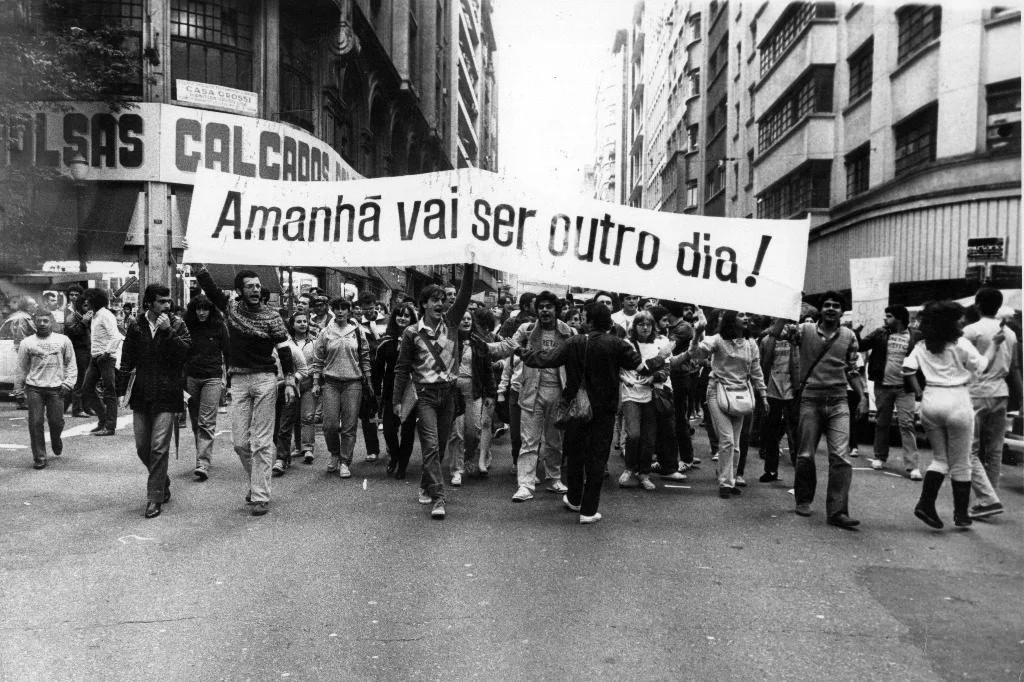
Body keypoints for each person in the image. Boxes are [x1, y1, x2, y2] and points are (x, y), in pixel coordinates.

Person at [517, 303, 670, 524]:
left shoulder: (574, 342)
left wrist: (519, 350)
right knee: (597, 458)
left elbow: (545, 360)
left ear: (589, 320)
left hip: (575, 407)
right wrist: (662, 356)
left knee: (575, 454)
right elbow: (643, 369)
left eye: (584, 317)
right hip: (604, 409)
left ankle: (574, 499)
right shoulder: (618, 344)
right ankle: (588, 511)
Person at [195, 265, 297, 517]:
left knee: (261, 442)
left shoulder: (272, 317)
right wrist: (199, 267)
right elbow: (211, 289)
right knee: (240, 443)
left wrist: (290, 380)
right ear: (239, 291)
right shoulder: (231, 309)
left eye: (258, 286)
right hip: (238, 381)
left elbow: (284, 349)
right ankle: (257, 482)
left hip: (265, 380)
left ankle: (260, 495)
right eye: (249, 286)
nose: (255, 290)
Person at [904, 300, 1003, 529]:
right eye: (959, 319)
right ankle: (961, 514)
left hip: (931, 399)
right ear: (949, 323)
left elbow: (907, 369)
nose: (962, 322)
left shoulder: (922, 346)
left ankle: (925, 504)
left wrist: (919, 393)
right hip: (957, 399)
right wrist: (994, 345)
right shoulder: (961, 344)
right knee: (961, 461)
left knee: (940, 459)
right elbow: (982, 366)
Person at [392, 263, 476, 520]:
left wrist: (470, 265)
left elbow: (465, 293)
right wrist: (397, 400)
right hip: (425, 396)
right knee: (429, 445)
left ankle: (426, 483)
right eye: (435, 300)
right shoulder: (412, 333)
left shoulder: (452, 323)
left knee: (439, 447)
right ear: (424, 304)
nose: (440, 304)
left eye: (442, 300)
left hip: (448, 395)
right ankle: (439, 498)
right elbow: (402, 368)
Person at [485, 290, 574, 501]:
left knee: (554, 441)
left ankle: (554, 478)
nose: (544, 310)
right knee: (529, 441)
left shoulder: (567, 332)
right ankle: (525, 484)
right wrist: (487, 347)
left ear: (556, 310)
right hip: (531, 391)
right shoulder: (526, 329)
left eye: (549, 307)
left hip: (558, 392)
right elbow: (507, 346)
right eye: (541, 307)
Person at [792, 291, 868, 530]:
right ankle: (803, 499)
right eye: (827, 305)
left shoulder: (849, 336)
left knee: (841, 457)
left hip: (838, 401)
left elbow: (852, 369)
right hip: (810, 399)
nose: (831, 309)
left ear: (842, 311)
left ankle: (837, 512)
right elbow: (777, 333)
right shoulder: (804, 331)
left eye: (836, 305)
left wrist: (863, 396)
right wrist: (786, 307)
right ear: (820, 309)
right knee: (805, 454)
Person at [118, 284, 192, 518]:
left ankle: (154, 497)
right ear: (148, 303)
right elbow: (127, 358)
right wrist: (120, 390)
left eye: (168, 301)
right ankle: (163, 480)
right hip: (142, 392)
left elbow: (185, 354)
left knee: (159, 446)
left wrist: (168, 331)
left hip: (168, 392)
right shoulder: (136, 325)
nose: (166, 305)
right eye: (161, 301)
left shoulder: (177, 324)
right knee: (143, 447)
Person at [689, 310, 769, 497]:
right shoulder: (717, 340)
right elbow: (696, 354)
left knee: (736, 443)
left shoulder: (751, 343)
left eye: (747, 315)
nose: (746, 318)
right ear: (731, 319)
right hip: (717, 391)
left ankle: (729, 479)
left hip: (740, 394)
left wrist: (763, 394)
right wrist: (697, 334)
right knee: (727, 440)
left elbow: (756, 370)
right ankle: (725, 483)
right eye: (741, 315)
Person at [963, 287, 1020, 519]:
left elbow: (964, 363)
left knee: (969, 449)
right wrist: (1021, 397)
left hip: (976, 391)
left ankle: (987, 498)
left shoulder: (971, 331)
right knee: (995, 449)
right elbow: (1014, 368)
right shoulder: (1010, 333)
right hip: (1001, 392)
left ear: (977, 304)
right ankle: (989, 497)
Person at [618, 311, 684, 490]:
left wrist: (654, 377)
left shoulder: (660, 342)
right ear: (635, 326)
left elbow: (666, 369)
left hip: (652, 394)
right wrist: (625, 379)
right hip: (631, 393)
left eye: (648, 324)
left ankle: (644, 473)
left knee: (649, 437)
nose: (645, 328)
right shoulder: (627, 344)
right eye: (641, 324)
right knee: (633, 434)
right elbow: (623, 367)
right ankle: (629, 468)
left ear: (653, 326)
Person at [310, 298, 373, 478]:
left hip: (353, 383)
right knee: (329, 425)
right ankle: (334, 454)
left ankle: (345, 461)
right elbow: (318, 359)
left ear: (349, 311)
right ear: (333, 310)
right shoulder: (325, 332)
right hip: (331, 382)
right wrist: (316, 382)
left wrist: (369, 381)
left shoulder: (358, 331)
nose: (340, 312)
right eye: (336, 308)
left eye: (343, 308)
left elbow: (365, 357)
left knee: (349, 425)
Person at [860, 305, 923, 477]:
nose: (885, 319)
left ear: (899, 318)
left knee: (907, 424)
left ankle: (912, 465)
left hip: (905, 387)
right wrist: (856, 334)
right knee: (882, 422)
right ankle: (879, 456)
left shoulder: (916, 335)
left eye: (889, 316)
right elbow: (861, 346)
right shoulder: (880, 333)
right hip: (883, 385)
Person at [16, 309, 77, 469]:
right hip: (34, 388)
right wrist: (18, 390)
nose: (42, 324)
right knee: (35, 422)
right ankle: (40, 457)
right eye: (39, 321)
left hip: (56, 388)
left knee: (56, 422)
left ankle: (56, 439)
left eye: (45, 321)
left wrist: (68, 383)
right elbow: (21, 368)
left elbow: (71, 363)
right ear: (34, 323)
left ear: (52, 322)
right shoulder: (27, 343)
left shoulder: (63, 340)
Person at [447, 307, 498, 485]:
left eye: (469, 318)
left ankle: (470, 457)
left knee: (474, 431)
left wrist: (491, 393)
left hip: (474, 392)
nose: (466, 321)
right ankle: (457, 470)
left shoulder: (478, 343)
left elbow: (487, 370)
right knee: (457, 433)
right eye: (463, 318)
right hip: (453, 392)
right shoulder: (449, 341)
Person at [183, 295, 229, 481]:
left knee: (206, 421)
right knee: (195, 421)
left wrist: (229, 377)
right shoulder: (187, 327)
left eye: (205, 309)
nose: (202, 313)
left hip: (212, 377)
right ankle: (202, 455)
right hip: (191, 377)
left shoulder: (219, 327)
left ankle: (202, 462)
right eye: (198, 309)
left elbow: (228, 351)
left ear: (211, 310)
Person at [373, 302, 418, 479]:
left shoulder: (418, 340)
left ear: (412, 319)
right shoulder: (386, 342)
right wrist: (377, 391)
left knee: (407, 430)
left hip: (411, 389)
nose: (403, 318)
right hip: (391, 390)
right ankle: (395, 456)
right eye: (400, 315)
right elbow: (378, 368)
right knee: (389, 430)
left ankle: (403, 466)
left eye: (407, 315)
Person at [757, 317, 801, 483]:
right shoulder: (766, 341)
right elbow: (761, 365)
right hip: (772, 391)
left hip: (793, 392)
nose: (786, 326)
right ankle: (771, 470)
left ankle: (800, 474)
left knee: (795, 435)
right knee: (770, 433)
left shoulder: (797, 341)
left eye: (789, 322)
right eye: (782, 322)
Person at [80, 288, 121, 436]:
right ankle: (103, 420)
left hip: (106, 358)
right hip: (95, 357)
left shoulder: (105, 315)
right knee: (86, 389)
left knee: (110, 391)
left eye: (89, 299)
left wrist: (107, 353)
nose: (86, 302)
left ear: (95, 300)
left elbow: (116, 336)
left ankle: (110, 426)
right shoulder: (95, 315)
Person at [272, 314, 310, 476]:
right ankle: (285, 455)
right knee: (274, 429)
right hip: (270, 391)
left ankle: (280, 459)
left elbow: (303, 370)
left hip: (290, 391)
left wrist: (291, 381)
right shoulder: (266, 349)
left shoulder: (291, 348)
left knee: (284, 426)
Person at [287, 310, 319, 465]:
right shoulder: (287, 342)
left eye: (305, 321)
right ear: (292, 325)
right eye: (299, 322)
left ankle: (308, 448)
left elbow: (318, 361)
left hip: (308, 383)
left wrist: (309, 373)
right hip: (291, 384)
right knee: (294, 417)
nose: (302, 324)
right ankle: (298, 446)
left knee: (307, 416)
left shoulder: (314, 342)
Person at [355, 292, 383, 463]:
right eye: (365, 309)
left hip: (386, 372)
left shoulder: (387, 321)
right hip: (367, 372)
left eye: (371, 308)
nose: (368, 312)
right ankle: (372, 449)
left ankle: (393, 446)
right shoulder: (357, 325)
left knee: (388, 412)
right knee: (367, 412)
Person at [62, 285, 92, 418]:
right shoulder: (70, 314)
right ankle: (77, 408)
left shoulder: (83, 311)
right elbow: (72, 332)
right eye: (71, 295)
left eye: (77, 295)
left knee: (86, 379)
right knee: (79, 378)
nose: (74, 297)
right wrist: (84, 322)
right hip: (77, 348)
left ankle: (85, 406)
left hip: (86, 347)